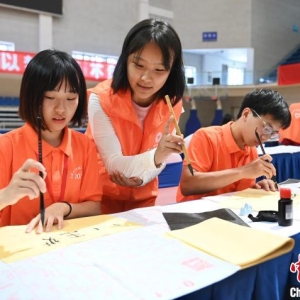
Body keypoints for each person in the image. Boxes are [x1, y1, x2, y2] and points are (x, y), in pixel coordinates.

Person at [85, 18, 186, 214]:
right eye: (138, 65)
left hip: (144, 199)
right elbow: (114, 163)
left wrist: (143, 178)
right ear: (125, 60)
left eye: (159, 70)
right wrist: (157, 156)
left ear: (171, 72)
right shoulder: (100, 99)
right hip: (101, 199)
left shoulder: (172, 103)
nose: (146, 78)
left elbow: (162, 159)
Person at [0, 49, 102, 232]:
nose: (61, 109)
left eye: (70, 98)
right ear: (33, 96)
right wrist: (6, 196)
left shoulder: (85, 146)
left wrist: (64, 207)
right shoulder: (6, 146)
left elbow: (95, 207)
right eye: (50, 97)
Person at [177, 88, 291, 202]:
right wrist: (243, 171)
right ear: (246, 114)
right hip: (194, 214)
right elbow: (188, 185)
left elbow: (233, 195)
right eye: (266, 128)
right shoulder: (206, 137)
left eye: (272, 134)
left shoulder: (251, 150)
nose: (265, 137)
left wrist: (255, 188)